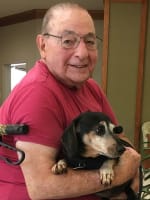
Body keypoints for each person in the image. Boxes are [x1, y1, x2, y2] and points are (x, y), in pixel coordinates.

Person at [0, 2, 141, 200]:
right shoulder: (37, 93)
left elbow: (121, 140)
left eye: (90, 42)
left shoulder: (90, 87)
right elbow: (42, 187)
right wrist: (121, 174)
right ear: (43, 45)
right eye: (68, 41)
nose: (83, 53)